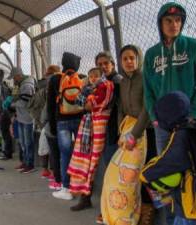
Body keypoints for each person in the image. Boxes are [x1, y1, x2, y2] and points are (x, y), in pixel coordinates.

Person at [142, 3, 196, 224]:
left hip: (189, 126)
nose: (174, 25)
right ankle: (173, 218)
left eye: (178, 21)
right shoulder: (152, 54)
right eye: (169, 21)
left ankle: (189, 218)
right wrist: (154, 118)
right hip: (163, 127)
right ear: (160, 23)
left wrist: (192, 115)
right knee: (168, 176)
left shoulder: (195, 47)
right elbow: (148, 91)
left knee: (189, 175)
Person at [100, 45, 151, 225]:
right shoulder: (122, 82)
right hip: (127, 131)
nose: (129, 62)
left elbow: (148, 108)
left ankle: (141, 215)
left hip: (143, 132)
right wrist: (123, 130)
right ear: (120, 62)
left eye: (132, 58)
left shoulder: (145, 78)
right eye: (125, 59)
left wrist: (134, 134)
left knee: (138, 177)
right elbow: (121, 107)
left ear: (138, 59)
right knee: (116, 176)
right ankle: (120, 213)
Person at [140, 91, 196, 225]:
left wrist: (145, 174)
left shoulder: (180, 136)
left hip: (189, 199)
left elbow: (168, 162)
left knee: (184, 220)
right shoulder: (192, 125)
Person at [67, 67, 114, 211]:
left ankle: (106, 205)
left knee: (95, 163)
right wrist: (88, 101)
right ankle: (86, 197)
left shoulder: (109, 84)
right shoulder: (93, 87)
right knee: (86, 160)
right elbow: (82, 102)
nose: (93, 78)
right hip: (93, 125)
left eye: (106, 63)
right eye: (91, 76)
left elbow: (91, 104)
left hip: (105, 128)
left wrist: (88, 102)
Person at [50, 52, 84, 200]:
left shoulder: (55, 79)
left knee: (65, 154)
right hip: (80, 120)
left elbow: (50, 104)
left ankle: (66, 188)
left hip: (62, 121)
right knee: (81, 154)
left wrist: (52, 125)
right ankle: (82, 186)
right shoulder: (81, 78)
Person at [94, 51, 122, 224]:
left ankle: (109, 211)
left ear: (112, 63)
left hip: (114, 131)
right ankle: (109, 209)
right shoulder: (103, 81)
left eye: (106, 63)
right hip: (106, 131)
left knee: (112, 173)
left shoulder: (116, 81)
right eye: (100, 64)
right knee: (110, 171)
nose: (104, 67)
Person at [8, 67, 36, 173]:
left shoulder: (27, 85)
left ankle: (30, 164)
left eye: (14, 77)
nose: (13, 80)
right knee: (23, 142)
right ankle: (25, 162)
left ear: (18, 76)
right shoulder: (21, 85)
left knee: (28, 143)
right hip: (21, 117)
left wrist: (12, 104)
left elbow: (25, 102)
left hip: (27, 118)